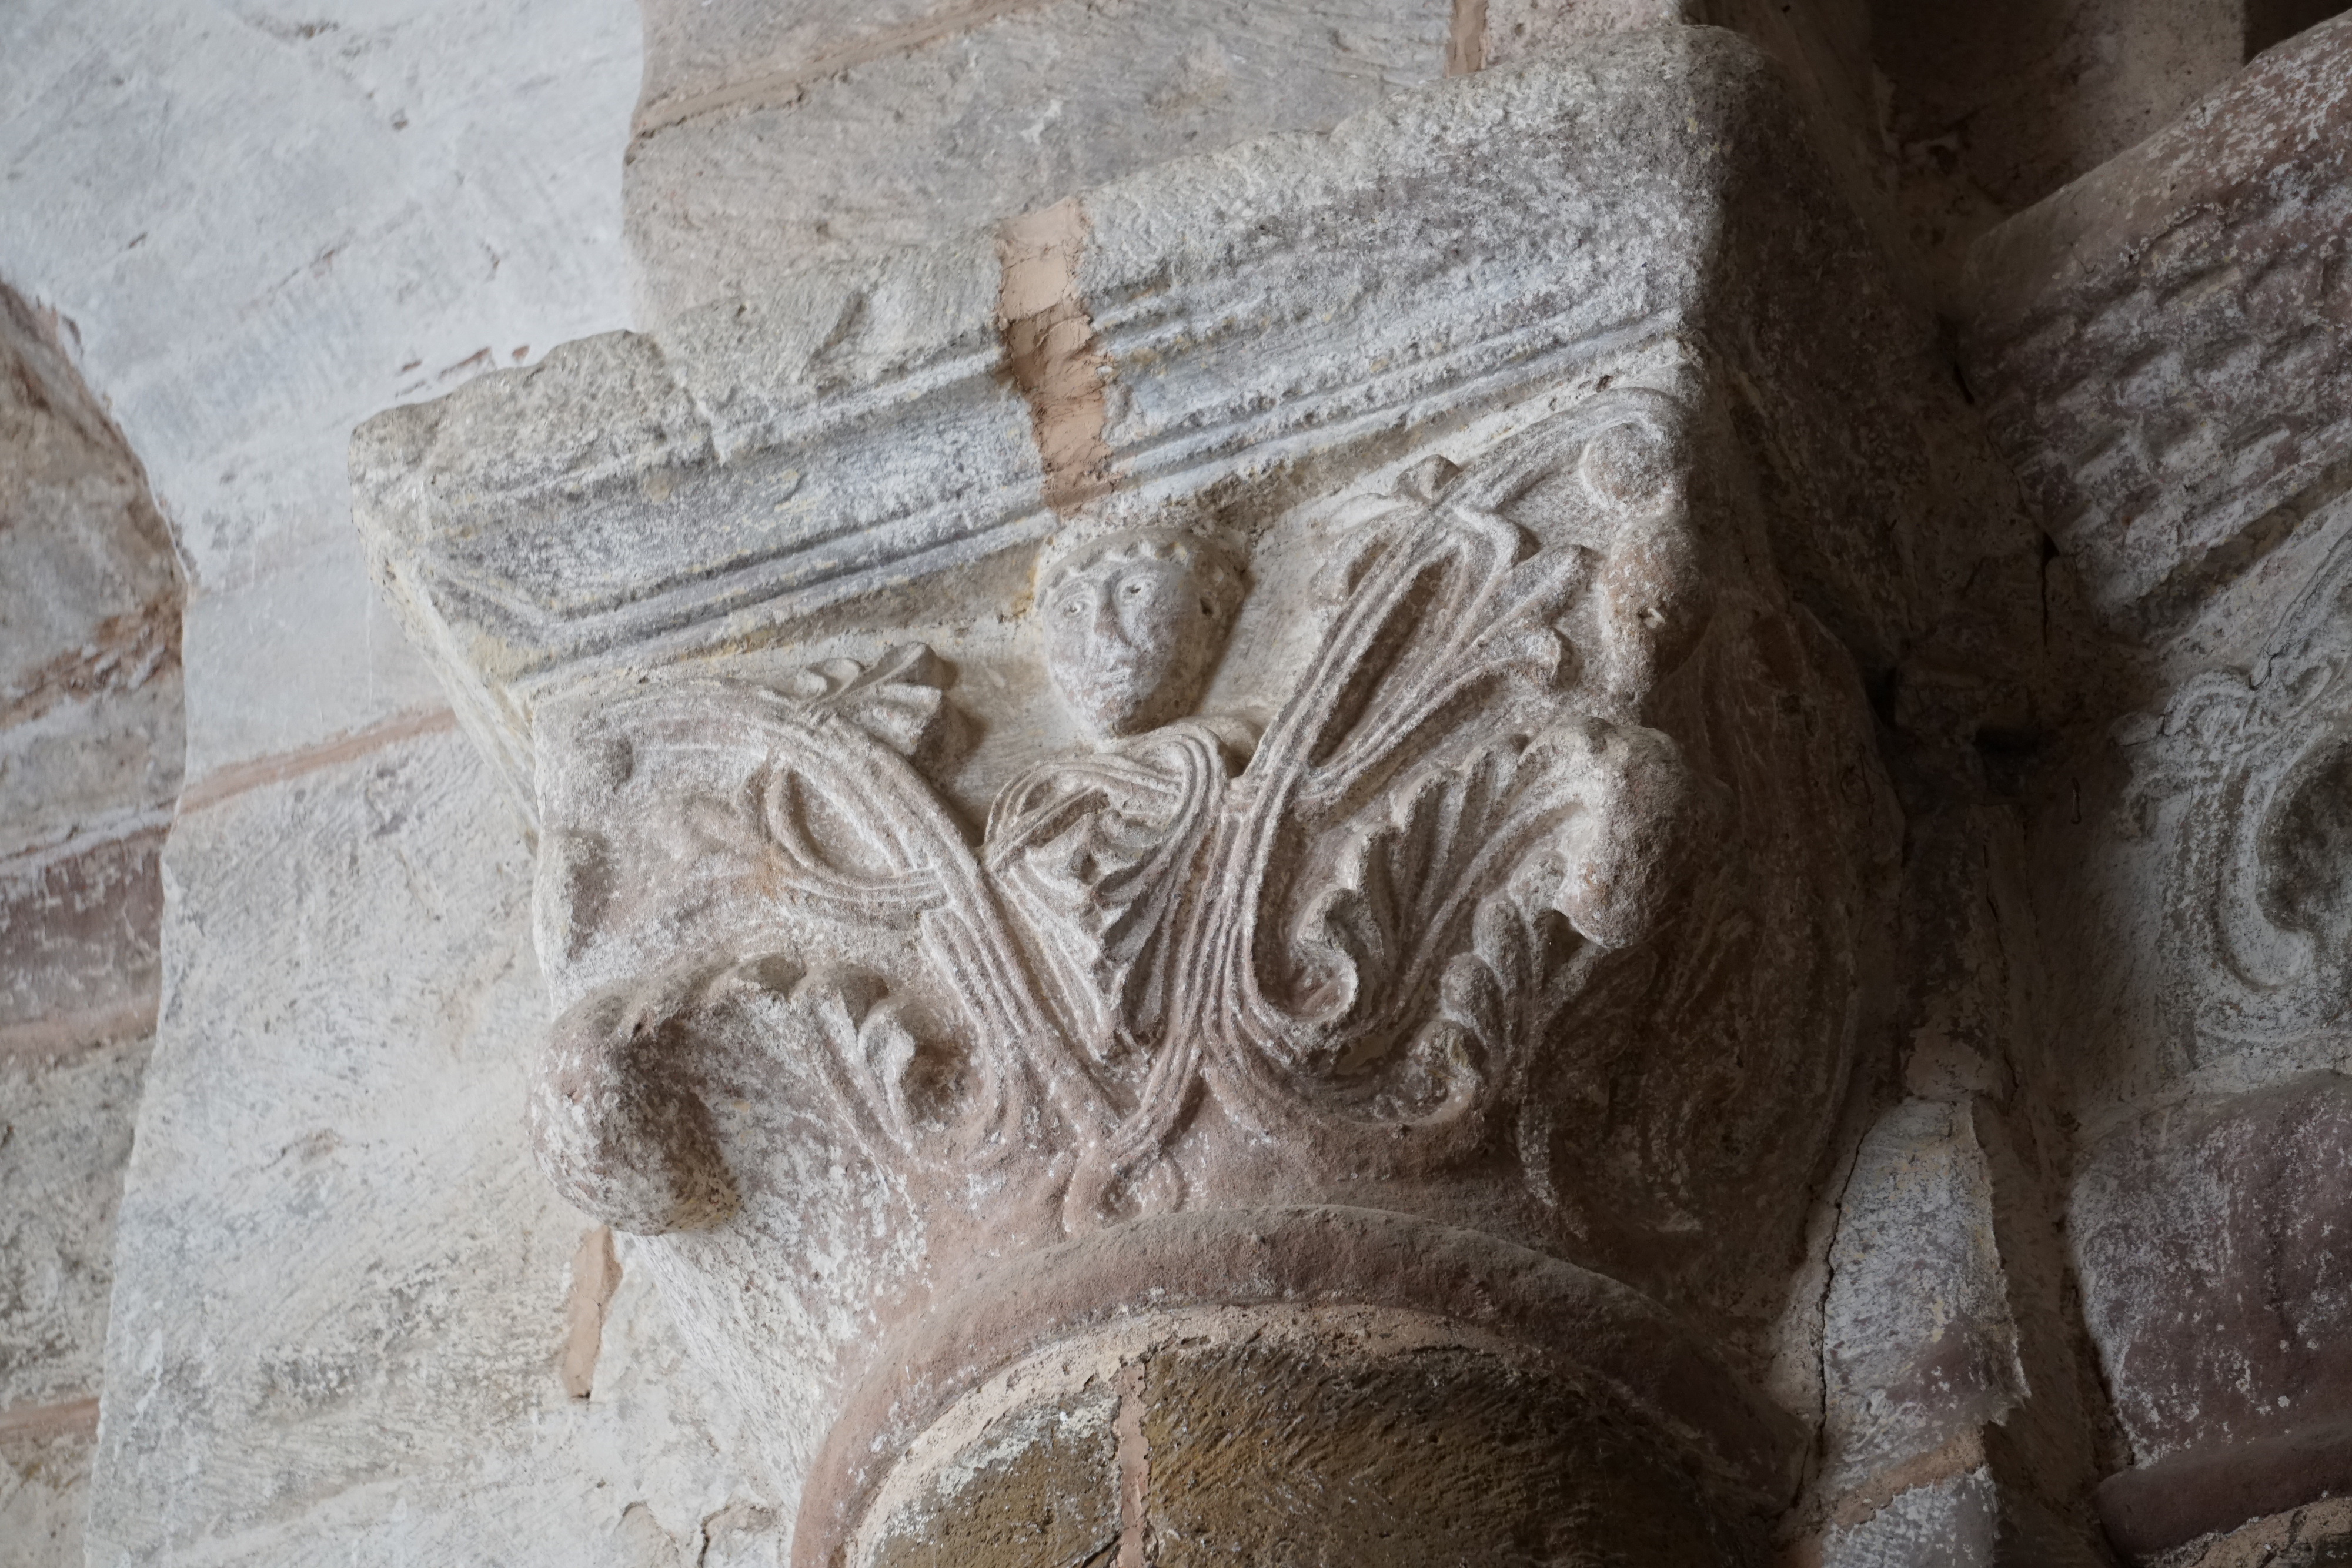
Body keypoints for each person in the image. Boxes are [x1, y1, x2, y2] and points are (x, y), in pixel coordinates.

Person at [985, 526, 1254, 1075]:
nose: (1105, 635)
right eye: (1073, 611)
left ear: (1209, 613)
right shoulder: (1031, 803)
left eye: (1135, 593)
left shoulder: (1238, 760)